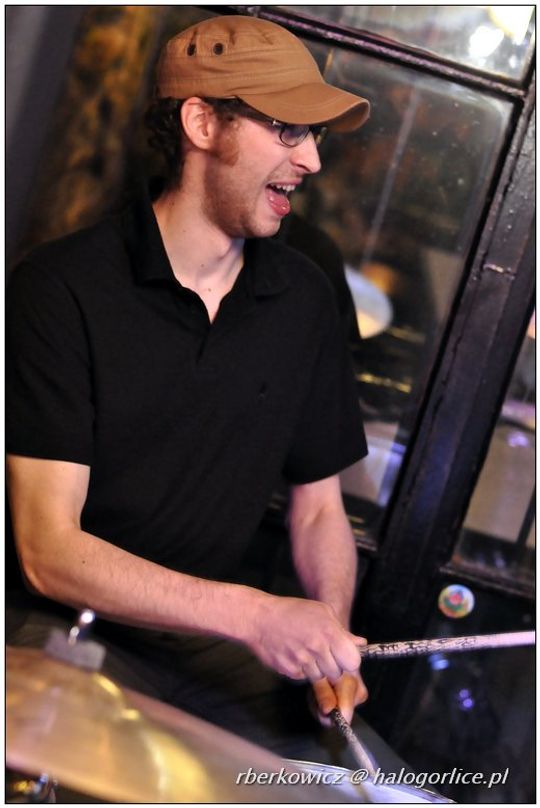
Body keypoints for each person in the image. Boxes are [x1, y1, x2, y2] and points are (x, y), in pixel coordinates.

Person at [7, 14, 376, 770]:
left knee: (355, 782)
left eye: (313, 135)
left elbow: (318, 510)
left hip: (206, 647)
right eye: (286, 129)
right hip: (64, 625)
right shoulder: (61, 288)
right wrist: (254, 614)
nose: (311, 159)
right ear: (203, 123)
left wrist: (327, 640)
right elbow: (49, 552)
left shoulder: (305, 298)